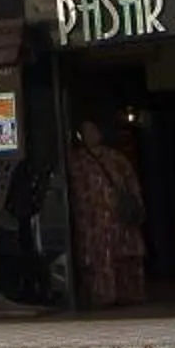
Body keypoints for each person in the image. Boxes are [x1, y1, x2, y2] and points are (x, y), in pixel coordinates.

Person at [67, 118, 145, 307]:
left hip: (118, 217)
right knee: (96, 259)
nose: (92, 134)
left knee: (124, 257)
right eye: (87, 131)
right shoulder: (75, 160)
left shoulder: (114, 157)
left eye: (94, 129)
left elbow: (131, 183)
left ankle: (127, 294)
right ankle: (101, 296)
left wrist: (136, 206)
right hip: (92, 221)